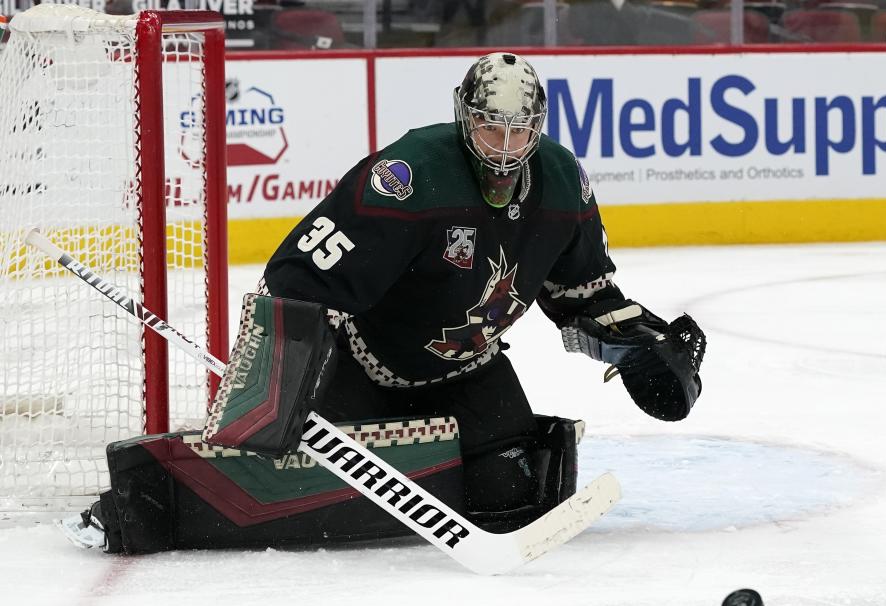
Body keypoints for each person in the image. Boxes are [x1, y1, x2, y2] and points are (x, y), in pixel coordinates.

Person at [62, 52, 705, 553]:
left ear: (539, 127)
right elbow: (295, 283)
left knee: (513, 488)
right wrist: (272, 397)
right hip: (360, 365)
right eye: (489, 126)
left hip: (466, 366)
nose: (504, 147)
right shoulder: (410, 177)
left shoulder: (564, 184)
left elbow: (582, 291)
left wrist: (641, 348)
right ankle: (143, 497)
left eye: (519, 131)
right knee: (272, 483)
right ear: (463, 115)